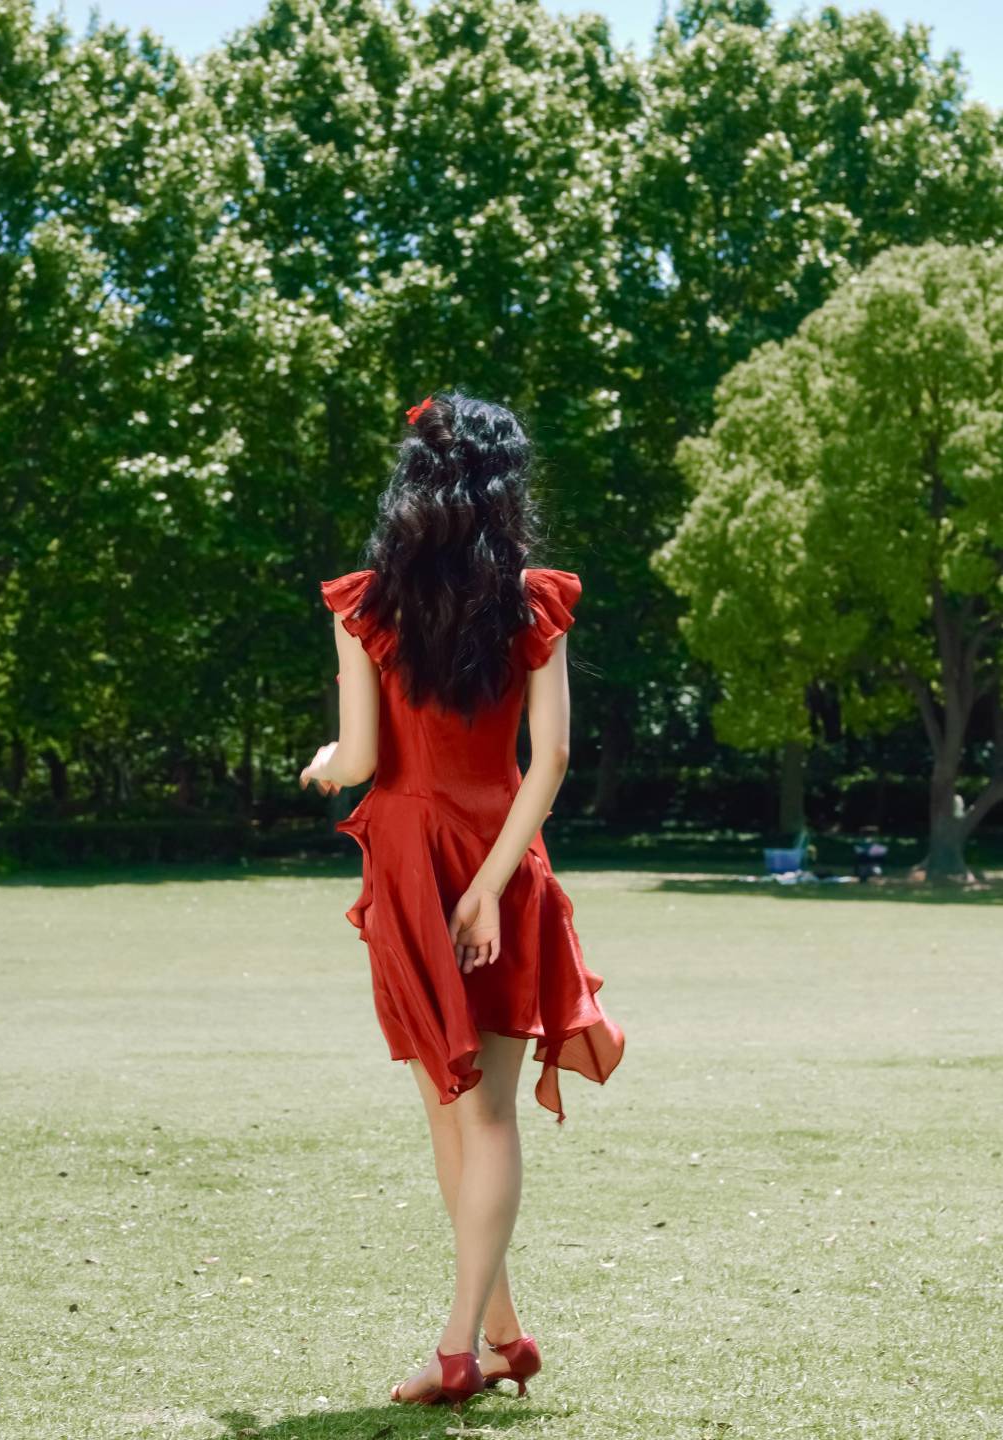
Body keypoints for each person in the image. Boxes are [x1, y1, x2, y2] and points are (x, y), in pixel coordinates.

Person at [299, 390, 625, 1411]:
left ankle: (455, 1350)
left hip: (405, 857)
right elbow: (554, 758)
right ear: (504, 486)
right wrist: (490, 888)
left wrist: (322, 765)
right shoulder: (533, 600)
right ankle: (501, 1337)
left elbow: (360, 758)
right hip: (494, 854)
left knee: (461, 1114)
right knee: (470, 1110)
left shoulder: (367, 603)